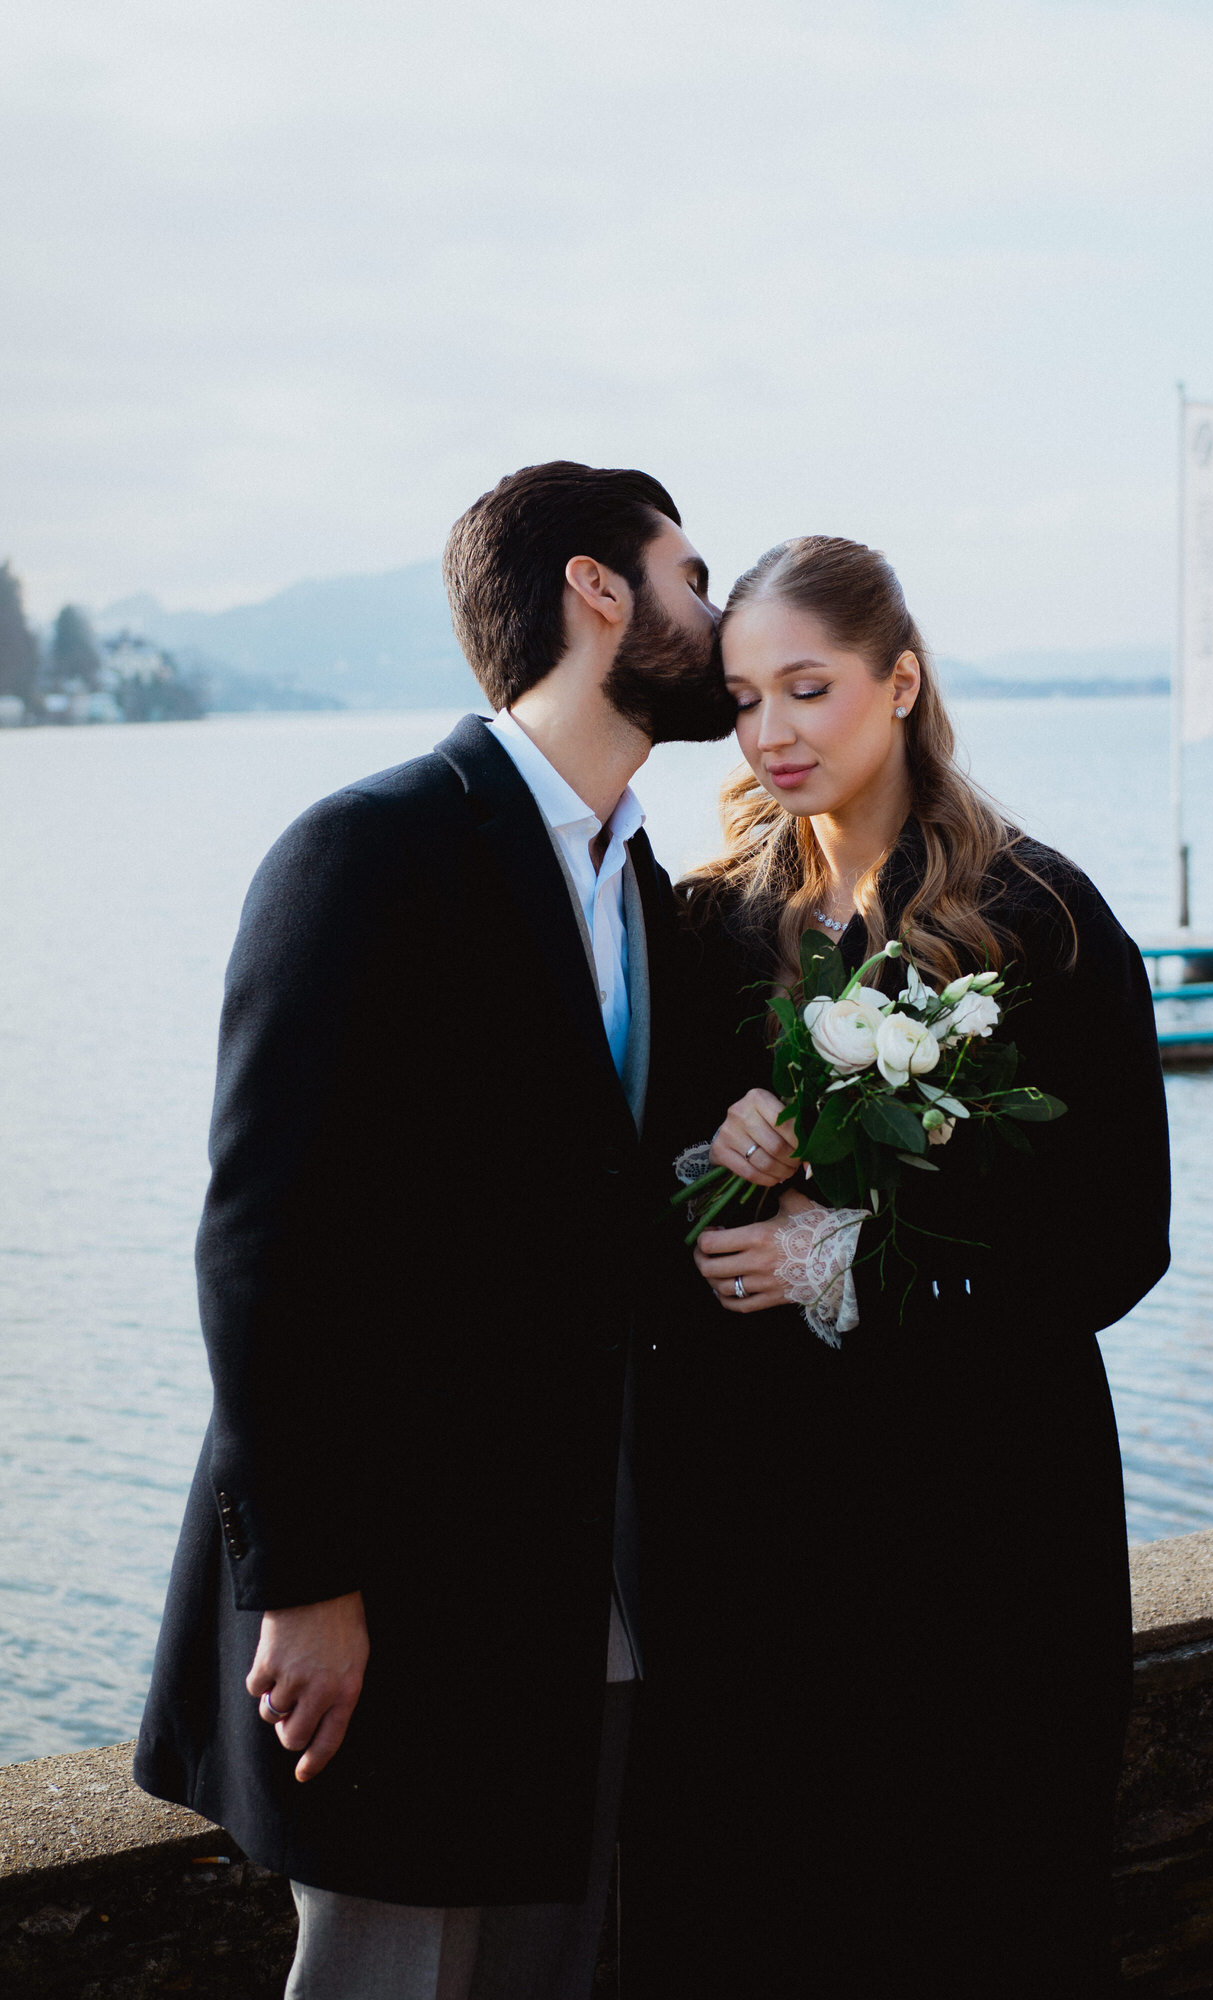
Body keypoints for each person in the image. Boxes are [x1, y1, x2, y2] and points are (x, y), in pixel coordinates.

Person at [133, 460, 734, 2000]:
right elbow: (261, 1241)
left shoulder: (641, 885)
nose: (713, 619)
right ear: (596, 590)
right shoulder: (370, 850)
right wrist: (306, 1584)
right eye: (691, 576)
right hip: (393, 1609)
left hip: (575, 1597)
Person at [625, 536, 1171, 1998]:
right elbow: (630, 1201)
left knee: (985, 1916)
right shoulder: (706, 922)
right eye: (744, 702)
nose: (773, 733)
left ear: (902, 679)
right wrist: (707, 1142)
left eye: (809, 688)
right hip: (761, 1546)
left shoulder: (1038, 919)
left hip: (988, 1536)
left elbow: (1125, 1235)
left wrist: (857, 1267)